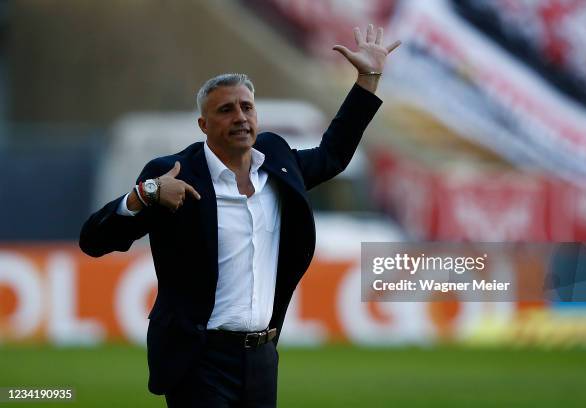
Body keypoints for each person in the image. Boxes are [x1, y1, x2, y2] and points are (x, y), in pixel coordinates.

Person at [79, 24, 400, 408]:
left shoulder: (279, 164)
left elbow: (333, 153)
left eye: (247, 107)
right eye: (225, 110)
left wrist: (367, 80)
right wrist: (145, 194)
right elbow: (94, 241)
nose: (240, 117)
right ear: (203, 125)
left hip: (262, 358)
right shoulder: (174, 174)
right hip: (199, 360)